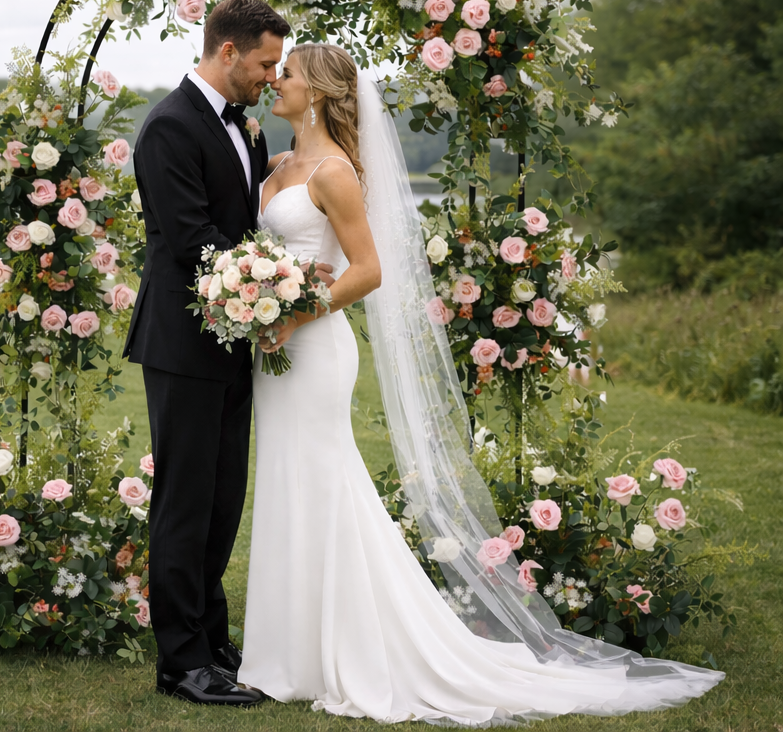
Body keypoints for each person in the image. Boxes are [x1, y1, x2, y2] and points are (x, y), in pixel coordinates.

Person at [237, 43, 725, 725]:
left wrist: (294, 314)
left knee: (322, 481)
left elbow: (368, 269)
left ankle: (343, 650)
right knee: (286, 482)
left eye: (285, 74)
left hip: (313, 348)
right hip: (276, 351)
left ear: (317, 91)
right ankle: (283, 653)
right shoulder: (276, 162)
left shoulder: (334, 171)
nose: (273, 82)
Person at [123, 0, 290, 707]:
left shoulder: (246, 132)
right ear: (228, 52)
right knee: (184, 503)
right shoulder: (166, 128)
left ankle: (214, 642)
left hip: (234, 338)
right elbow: (194, 243)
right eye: (264, 63)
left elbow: (241, 224)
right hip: (183, 342)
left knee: (223, 501)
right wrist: (282, 286)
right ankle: (180, 662)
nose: (271, 78)